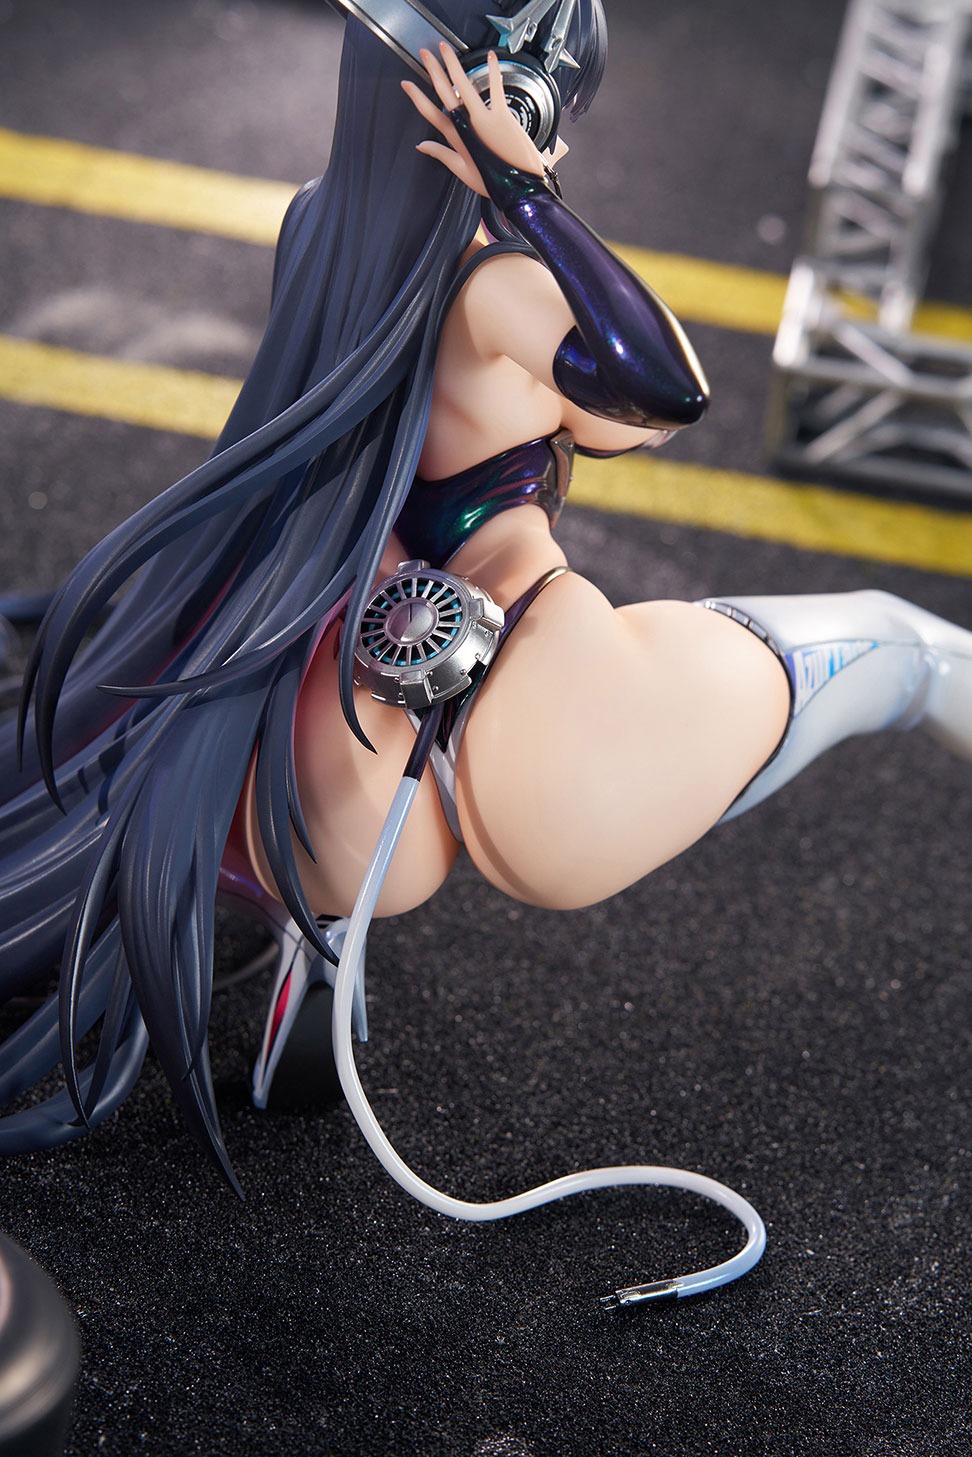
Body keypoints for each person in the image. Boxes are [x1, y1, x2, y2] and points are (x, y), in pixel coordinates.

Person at [0, 0, 968, 1295]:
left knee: (306, 845)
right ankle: (316, 957)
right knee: (902, 649)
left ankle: (316, 947)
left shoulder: (321, 232)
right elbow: (660, 389)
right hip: (536, 699)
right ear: (514, 102)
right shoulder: (504, 282)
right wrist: (528, 196)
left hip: (342, 708)